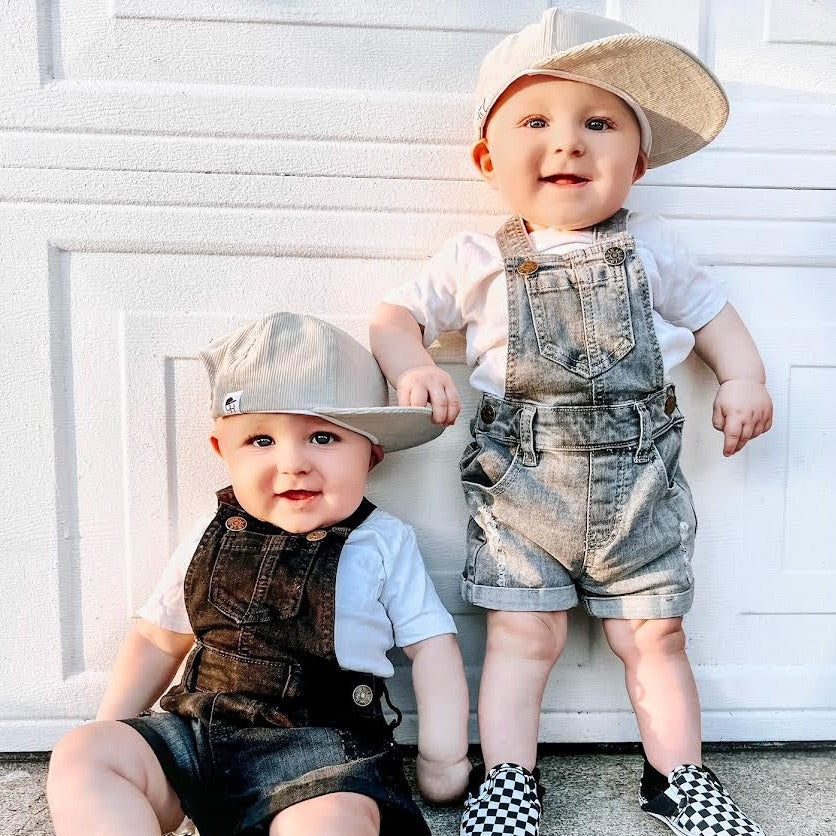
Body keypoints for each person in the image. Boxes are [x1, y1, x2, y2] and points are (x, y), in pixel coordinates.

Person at [370, 7, 772, 836]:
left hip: (641, 487)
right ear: (488, 159)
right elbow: (394, 315)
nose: (569, 142)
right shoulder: (478, 257)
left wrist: (743, 375)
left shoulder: (652, 247)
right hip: (523, 486)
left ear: (639, 160)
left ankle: (679, 776)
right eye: (536, 121)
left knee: (655, 634)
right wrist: (411, 363)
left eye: (598, 123)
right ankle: (510, 777)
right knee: (524, 635)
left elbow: (712, 318)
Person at [47, 312, 471, 836]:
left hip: (321, 759)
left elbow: (431, 647)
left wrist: (442, 759)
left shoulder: (382, 542)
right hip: (195, 737)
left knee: (333, 822)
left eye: (323, 437)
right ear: (222, 451)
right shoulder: (212, 528)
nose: (292, 462)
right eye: (261, 441)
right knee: (83, 755)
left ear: (372, 454)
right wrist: (114, 726)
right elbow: (159, 640)